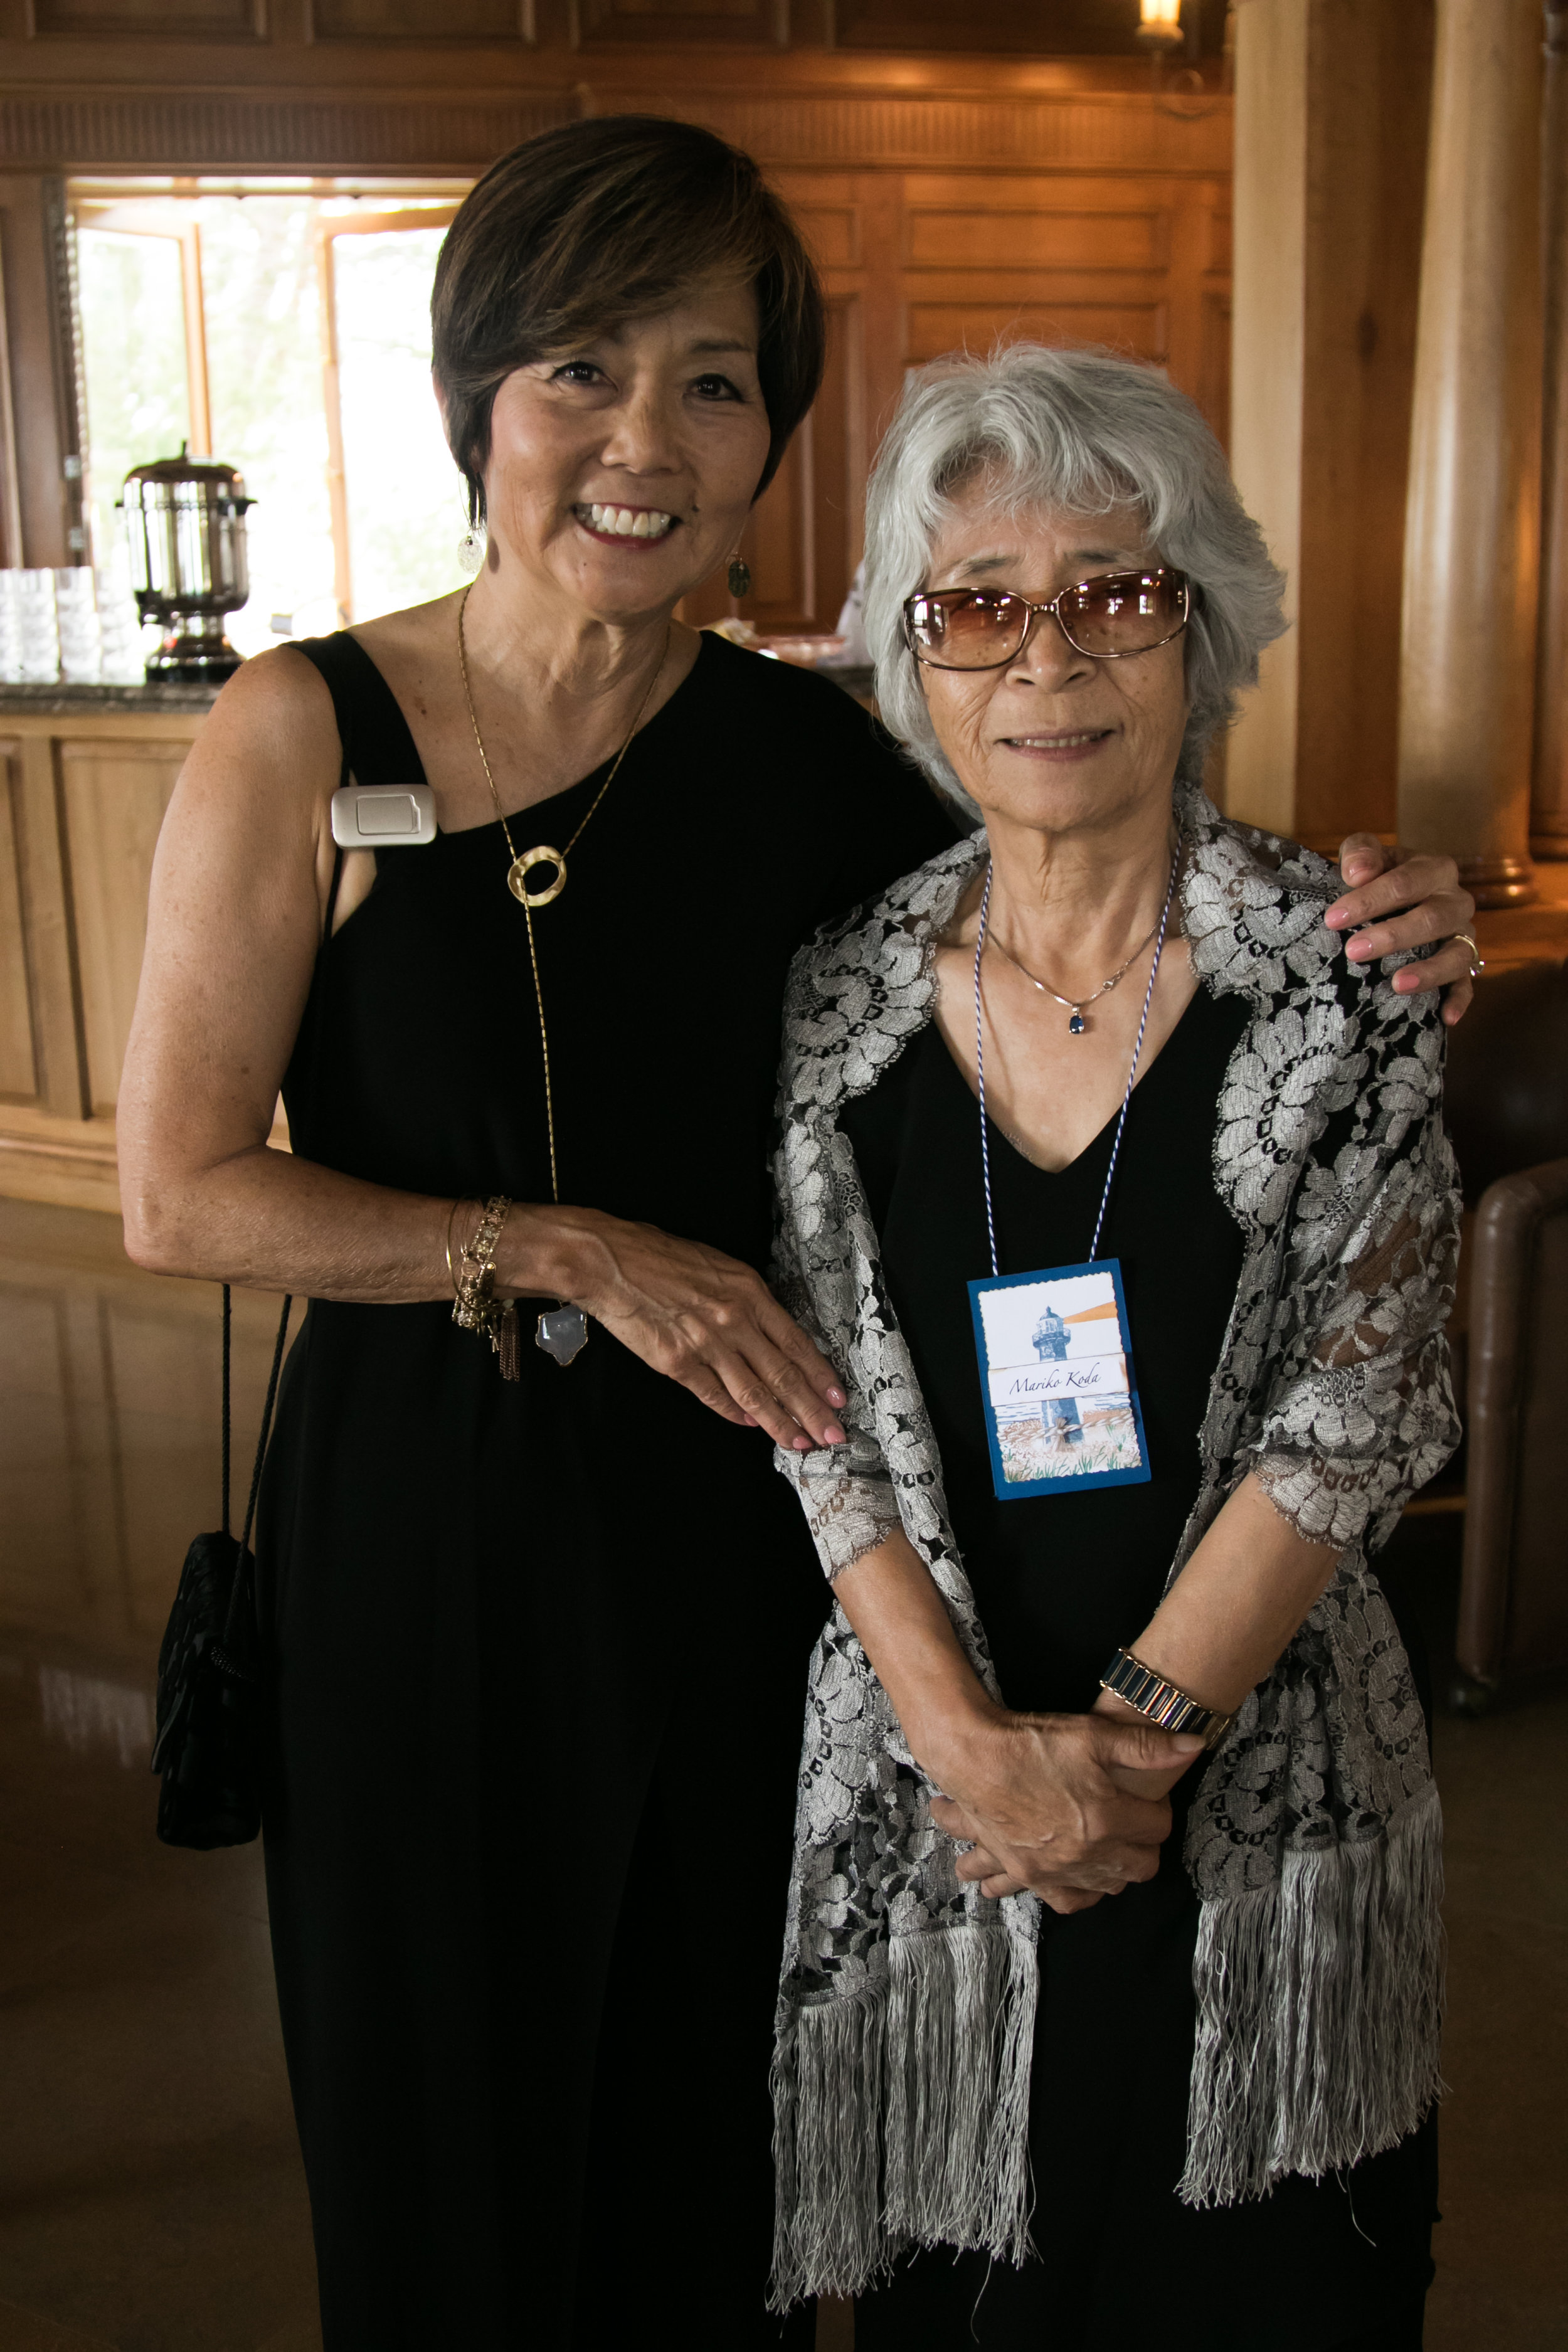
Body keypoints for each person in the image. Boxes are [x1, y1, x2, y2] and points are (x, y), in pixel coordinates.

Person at [115, 119, 1475, 2349]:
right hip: (431, 1542)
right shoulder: (305, 724)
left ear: (770, 437)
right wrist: (565, 1248)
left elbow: (1089, 799)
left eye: (713, 382)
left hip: (750, 1540)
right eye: (576, 374)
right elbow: (179, 1195)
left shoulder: (827, 757)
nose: (641, 442)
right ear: (477, 403)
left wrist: (1377, 895)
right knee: (449, 2135)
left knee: (719, 2150)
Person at [768, 344, 1463, 2351]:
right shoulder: (839, 998)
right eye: (979, 603)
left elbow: (1364, 1398)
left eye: (1115, 592)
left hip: (1254, 1801)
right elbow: (821, 1428)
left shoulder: (1343, 977)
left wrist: (1128, 1764)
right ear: (914, 660)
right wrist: (987, 1759)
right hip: (938, 1800)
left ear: (1201, 631)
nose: (1046, 659)